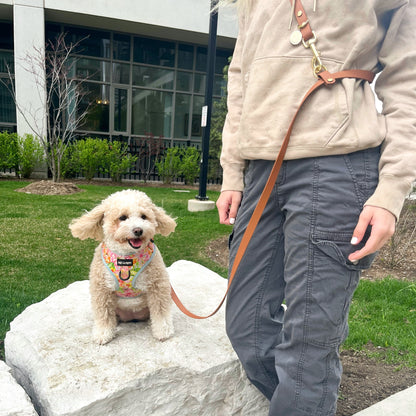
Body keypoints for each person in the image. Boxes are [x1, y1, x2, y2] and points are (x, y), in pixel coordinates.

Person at [215, 0, 416, 415]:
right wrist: (232, 172)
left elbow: (407, 81)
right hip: (261, 170)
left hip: (338, 164)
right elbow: (241, 78)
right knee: (247, 331)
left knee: (307, 348)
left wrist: (391, 191)